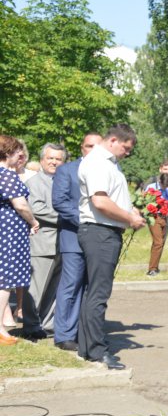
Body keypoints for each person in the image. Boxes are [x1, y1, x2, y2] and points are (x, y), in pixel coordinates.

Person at [77, 124, 146, 369]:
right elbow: (100, 201)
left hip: (102, 231)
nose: (127, 153)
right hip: (100, 232)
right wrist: (130, 219)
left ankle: (88, 347)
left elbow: (109, 198)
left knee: (93, 292)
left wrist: (130, 210)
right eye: (125, 148)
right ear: (114, 140)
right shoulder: (99, 162)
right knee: (98, 293)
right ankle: (96, 350)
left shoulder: (108, 162)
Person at [52, 132, 101, 351]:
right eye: (89, 146)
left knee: (92, 286)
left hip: (100, 239)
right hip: (73, 236)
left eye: (97, 147)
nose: (93, 150)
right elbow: (60, 202)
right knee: (70, 285)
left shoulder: (108, 171)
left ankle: (85, 331)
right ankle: (64, 335)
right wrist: (85, 220)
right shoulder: (66, 170)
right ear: (82, 147)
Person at [21, 143, 67, 339]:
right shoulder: (35, 183)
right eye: (50, 158)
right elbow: (37, 209)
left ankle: (47, 325)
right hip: (42, 244)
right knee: (36, 289)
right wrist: (69, 217)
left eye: (58, 159)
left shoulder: (63, 181)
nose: (54, 162)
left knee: (53, 290)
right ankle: (31, 326)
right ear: (41, 160)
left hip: (62, 243)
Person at [0, 136, 40, 345]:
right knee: (6, 280)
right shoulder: (7, 175)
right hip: (9, 234)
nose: (20, 156)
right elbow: (21, 205)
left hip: (4, 231)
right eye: (17, 152)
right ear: (8, 154)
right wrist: (33, 222)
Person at [145, 173, 168, 276]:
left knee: (160, 243)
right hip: (154, 217)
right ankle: (152, 269)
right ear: (160, 182)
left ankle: (155, 266)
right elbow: (145, 202)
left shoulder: (167, 190)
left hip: (164, 217)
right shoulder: (151, 187)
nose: (165, 188)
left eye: (167, 186)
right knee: (158, 242)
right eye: (164, 186)